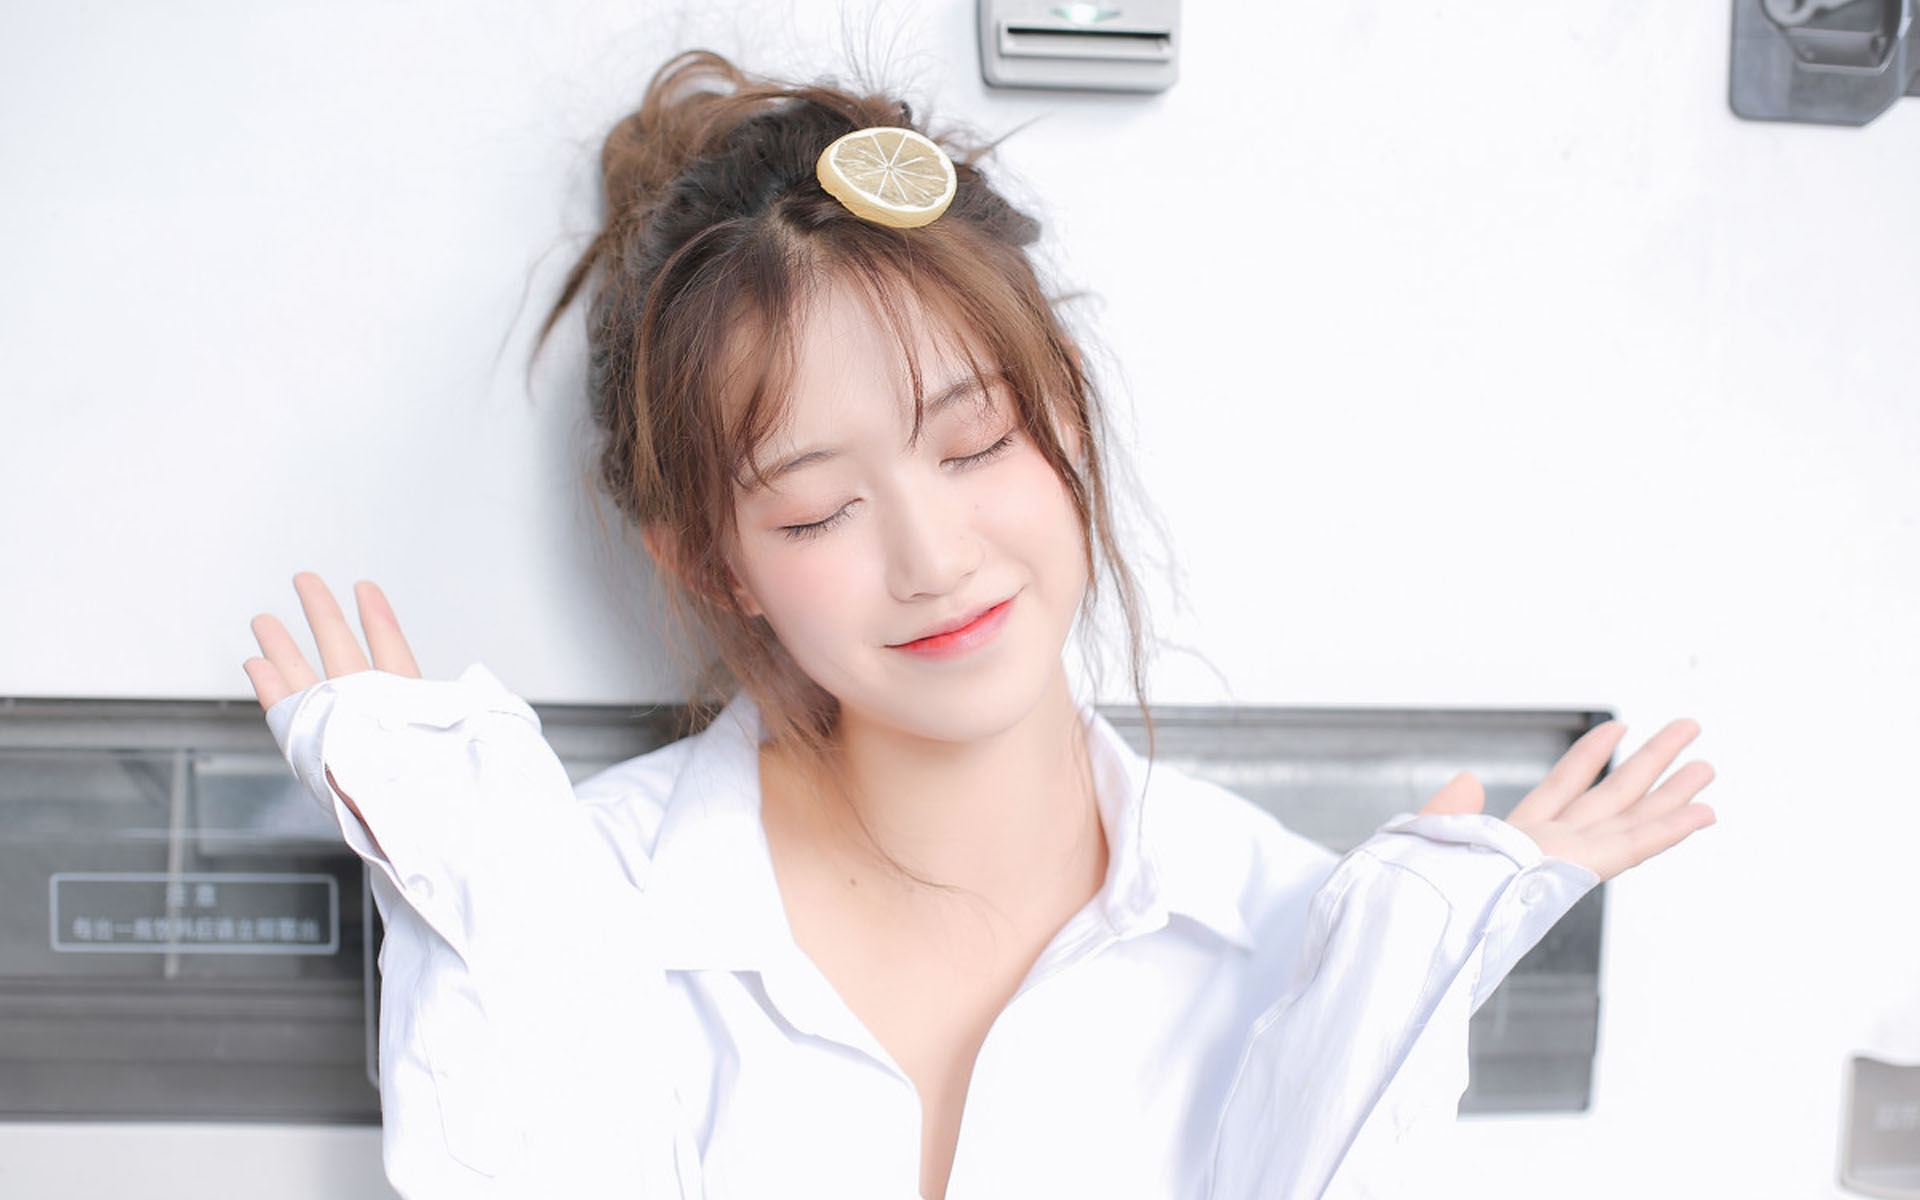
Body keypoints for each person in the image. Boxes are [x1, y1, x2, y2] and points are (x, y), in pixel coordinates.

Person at [243, 50, 1715, 1200]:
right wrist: (501, 936)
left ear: (1064, 404)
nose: (934, 558)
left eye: (976, 444)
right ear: (711, 563)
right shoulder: (574, 910)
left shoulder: (1293, 935)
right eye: (818, 512)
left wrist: (1385, 1021)